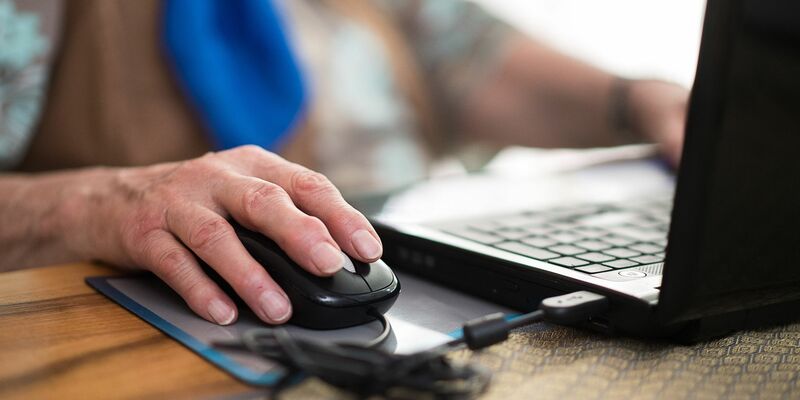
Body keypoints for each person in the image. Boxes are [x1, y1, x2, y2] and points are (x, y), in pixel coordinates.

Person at [0, 0, 688, 326]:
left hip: (418, 293)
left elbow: (468, 58)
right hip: (184, 342)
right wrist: (104, 200)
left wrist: (635, 99)